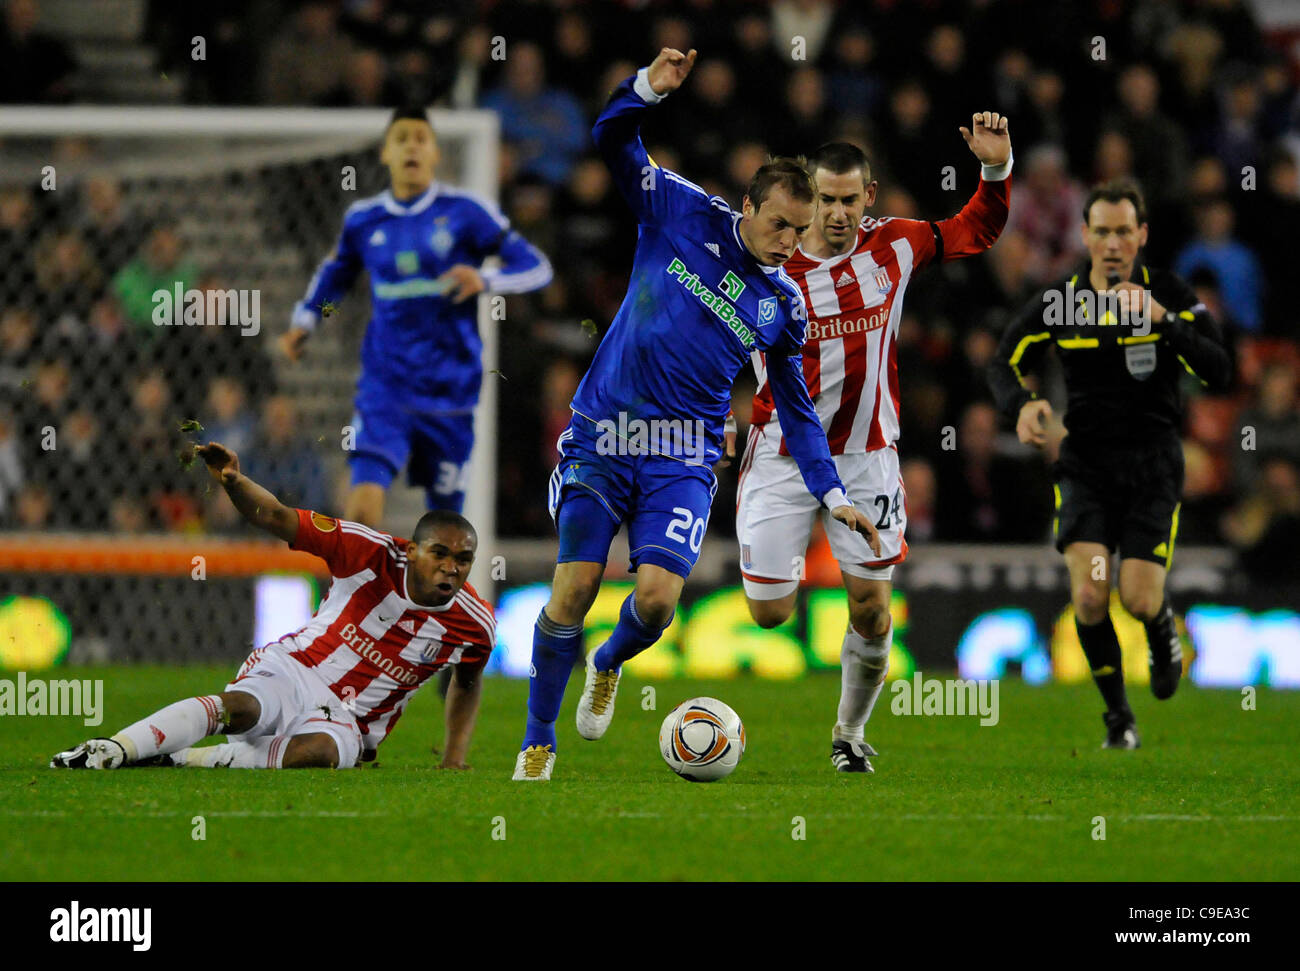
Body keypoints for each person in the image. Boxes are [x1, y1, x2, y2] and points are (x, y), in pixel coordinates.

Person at [513, 48, 879, 782]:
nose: (788, 243)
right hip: (604, 432)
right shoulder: (680, 210)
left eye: (799, 232)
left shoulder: (783, 306)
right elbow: (611, 139)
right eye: (779, 224)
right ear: (747, 207)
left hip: (683, 452)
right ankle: (538, 742)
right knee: (575, 588)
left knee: (653, 603)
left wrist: (833, 494)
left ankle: (609, 660)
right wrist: (647, 88)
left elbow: (799, 412)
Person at [735, 122, 1013, 775]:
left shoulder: (896, 245)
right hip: (782, 451)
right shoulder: (765, 264)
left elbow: (975, 230)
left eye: (848, 200)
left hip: (865, 456)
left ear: (869, 196)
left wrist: (996, 173)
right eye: (825, 200)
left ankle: (848, 733)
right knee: (770, 612)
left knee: (873, 609)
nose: (836, 213)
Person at [51, 441, 493, 770]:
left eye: (463, 560)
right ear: (414, 551)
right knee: (240, 710)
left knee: (317, 753)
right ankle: (110, 749)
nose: (451, 568)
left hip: (349, 721)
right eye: (440, 554)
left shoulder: (473, 624)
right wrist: (236, 483)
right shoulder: (366, 551)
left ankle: (184, 759)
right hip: (296, 668)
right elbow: (280, 516)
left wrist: (454, 757)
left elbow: (468, 683)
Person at [987, 178, 1231, 750]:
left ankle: (1161, 626)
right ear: (1085, 235)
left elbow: (1221, 371)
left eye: (1125, 231)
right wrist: (1020, 406)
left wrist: (1166, 323)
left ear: (1141, 234)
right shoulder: (1062, 301)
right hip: (1087, 471)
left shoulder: (1169, 293)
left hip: (1151, 469)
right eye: (1102, 232)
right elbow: (1003, 360)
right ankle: (1119, 717)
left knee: (1140, 597)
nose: (1114, 243)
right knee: (1093, 594)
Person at [281, 106, 552, 526]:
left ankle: (432, 592)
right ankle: (361, 591)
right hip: (385, 388)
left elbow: (536, 267)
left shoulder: (466, 213)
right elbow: (336, 272)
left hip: (450, 391)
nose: (411, 146)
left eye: (421, 138)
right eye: (401, 138)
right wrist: (305, 320)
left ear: (436, 154)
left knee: (443, 529)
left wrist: (485, 279)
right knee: (361, 508)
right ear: (386, 153)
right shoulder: (364, 220)